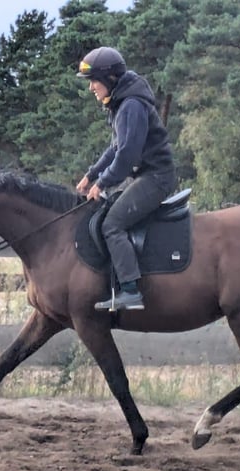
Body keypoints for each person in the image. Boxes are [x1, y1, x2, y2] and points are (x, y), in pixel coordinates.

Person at [76, 46, 176, 311]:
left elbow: (128, 156)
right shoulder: (123, 103)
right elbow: (116, 148)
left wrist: (103, 183)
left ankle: (130, 291)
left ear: (109, 79)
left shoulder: (130, 105)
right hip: (146, 176)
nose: (91, 88)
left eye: (93, 81)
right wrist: (91, 174)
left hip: (157, 178)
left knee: (112, 224)